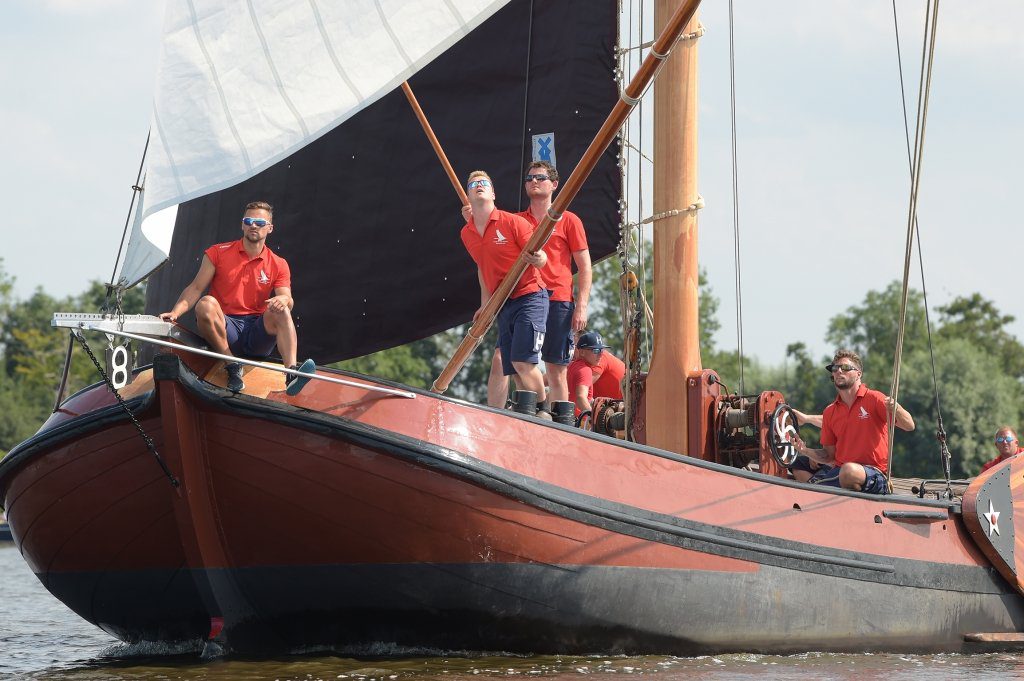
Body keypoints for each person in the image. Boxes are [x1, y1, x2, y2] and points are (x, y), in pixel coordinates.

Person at [160, 201, 313, 394]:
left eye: (259, 222)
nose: (253, 225)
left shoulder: (279, 263)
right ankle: (231, 365)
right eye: (248, 220)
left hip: (257, 334)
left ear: (270, 228)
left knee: (281, 309)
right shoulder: (217, 252)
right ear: (242, 225)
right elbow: (196, 287)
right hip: (227, 329)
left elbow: (287, 298)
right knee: (205, 304)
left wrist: (283, 301)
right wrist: (175, 312)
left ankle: (291, 373)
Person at [482, 162, 593, 410]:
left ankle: (560, 425)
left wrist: (581, 306)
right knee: (511, 361)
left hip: (557, 300)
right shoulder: (516, 221)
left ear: (554, 185)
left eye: (540, 178)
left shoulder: (569, 221)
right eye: (529, 178)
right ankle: (519, 416)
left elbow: (585, 267)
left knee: (556, 369)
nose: (533, 181)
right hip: (525, 297)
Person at [460, 171, 549, 407]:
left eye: (484, 183)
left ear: (493, 193)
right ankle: (527, 414)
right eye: (473, 184)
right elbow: (483, 267)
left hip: (530, 296)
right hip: (503, 303)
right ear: (468, 196)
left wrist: (539, 258)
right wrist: (485, 304)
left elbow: (540, 255)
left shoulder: (513, 222)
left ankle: (544, 412)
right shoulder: (467, 233)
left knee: (523, 362)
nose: (479, 186)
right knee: (514, 368)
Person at [791, 349, 915, 494]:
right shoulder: (830, 411)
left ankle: (825, 490)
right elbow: (828, 456)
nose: (838, 371)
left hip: (874, 474)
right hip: (841, 471)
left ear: (858, 374)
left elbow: (909, 425)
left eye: (845, 368)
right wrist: (804, 450)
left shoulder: (875, 399)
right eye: (835, 368)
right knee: (797, 465)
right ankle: (822, 490)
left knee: (848, 472)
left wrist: (897, 408)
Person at [566, 331, 622, 417]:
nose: (600, 355)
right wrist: (593, 419)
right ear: (582, 352)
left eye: (601, 350)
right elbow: (581, 397)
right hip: (580, 420)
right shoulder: (586, 370)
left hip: (570, 415)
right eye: (595, 350)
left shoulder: (572, 366)